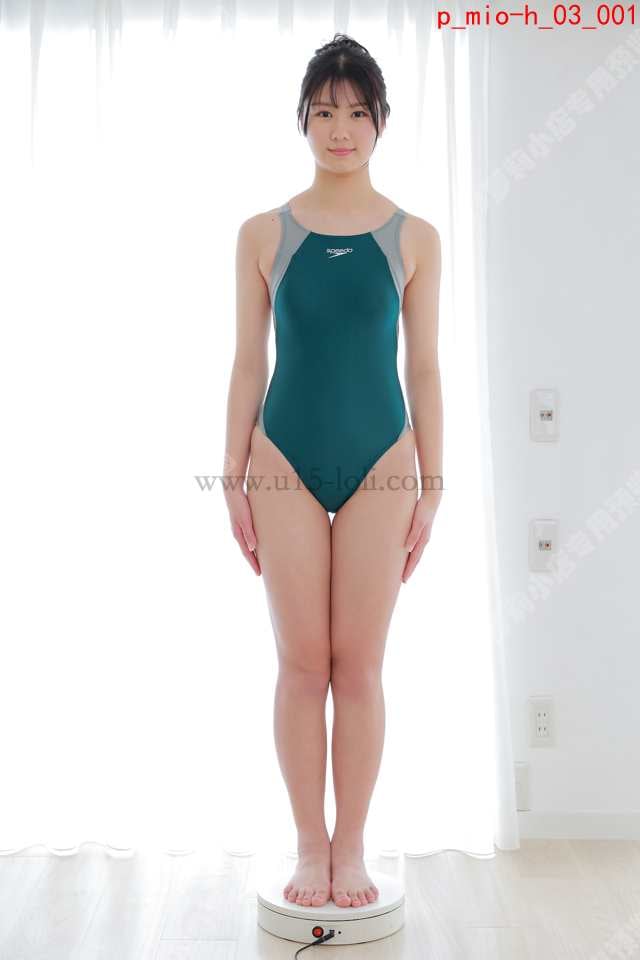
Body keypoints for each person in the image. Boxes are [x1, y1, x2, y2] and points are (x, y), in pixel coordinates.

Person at [223, 33, 443, 910]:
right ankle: (308, 846)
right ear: (304, 120)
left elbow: (423, 367)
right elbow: (248, 360)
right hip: (282, 457)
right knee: (301, 664)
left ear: (381, 121)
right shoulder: (262, 234)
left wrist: (433, 485)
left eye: (356, 112)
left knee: (359, 666)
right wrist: (232, 474)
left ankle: (351, 848)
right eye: (324, 112)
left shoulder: (414, 236)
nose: (340, 129)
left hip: (384, 459)